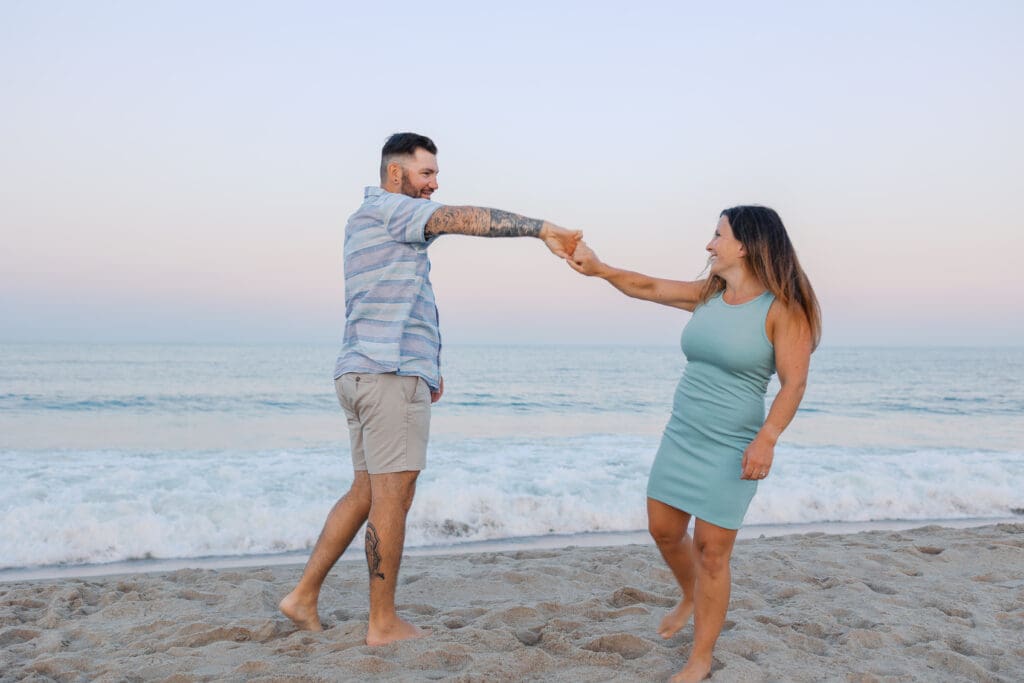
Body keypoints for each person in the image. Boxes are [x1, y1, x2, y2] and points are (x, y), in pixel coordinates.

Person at [278, 132, 581, 646]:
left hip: (362, 372)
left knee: (366, 491)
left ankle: (303, 596)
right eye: (427, 174)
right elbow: (464, 219)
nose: (434, 186)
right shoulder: (394, 209)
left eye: (436, 176)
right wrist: (542, 229)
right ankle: (382, 622)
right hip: (388, 375)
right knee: (392, 499)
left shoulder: (364, 219)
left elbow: (400, 295)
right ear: (396, 174)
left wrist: (429, 364)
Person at [568, 206, 820, 683]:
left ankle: (700, 658)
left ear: (745, 245)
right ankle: (690, 593)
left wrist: (767, 440)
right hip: (683, 432)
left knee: (712, 551)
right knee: (662, 528)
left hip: (733, 442)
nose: (709, 245)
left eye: (717, 235)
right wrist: (599, 269)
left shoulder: (784, 309)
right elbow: (647, 287)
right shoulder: (710, 296)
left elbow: (793, 384)